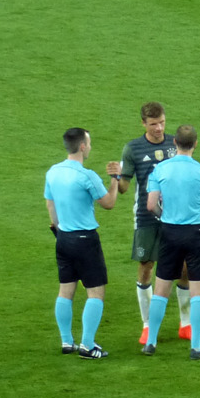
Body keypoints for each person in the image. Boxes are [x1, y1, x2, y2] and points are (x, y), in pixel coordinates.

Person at [118, 102, 195, 346]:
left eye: (162, 122)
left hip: (177, 217)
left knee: (184, 268)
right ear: (143, 124)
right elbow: (124, 188)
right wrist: (115, 177)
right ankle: (147, 325)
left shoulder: (176, 144)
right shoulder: (133, 149)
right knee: (146, 266)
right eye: (153, 124)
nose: (159, 128)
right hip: (146, 217)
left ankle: (186, 324)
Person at [141, 125, 200, 360]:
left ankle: (150, 342)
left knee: (161, 289)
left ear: (175, 142)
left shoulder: (161, 169)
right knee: (198, 292)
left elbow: (150, 205)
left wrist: (163, 215)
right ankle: (196, 347)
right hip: (196, 233)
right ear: (195, 144)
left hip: (169, 232)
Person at [46, 128, 121, 359]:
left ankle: (67, 341)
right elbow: (108, 203)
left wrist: (59, 229)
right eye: (88, 143)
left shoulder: (52, 172)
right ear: (81, 147)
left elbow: (51, 205)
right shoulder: (86, 175)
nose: (89, 147)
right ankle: (88, 346)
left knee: (66, 290)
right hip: (85, 240)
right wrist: (115, 179)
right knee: (95, 293)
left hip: (63, 238)